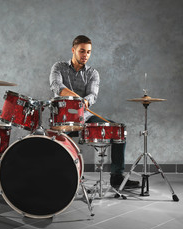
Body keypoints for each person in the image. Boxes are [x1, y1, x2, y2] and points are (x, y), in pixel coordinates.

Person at [49, 35, 139, 189]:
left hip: (84, 118)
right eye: (82, 51)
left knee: (118, 130)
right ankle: (54, 176)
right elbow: (57, 86)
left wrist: (86, 101)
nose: (85, 55)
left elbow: (92, 95)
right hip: (63, 119)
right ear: (73, 50)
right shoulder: (58, 67)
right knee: (51, 145)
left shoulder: (93, 73)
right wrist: (78, 99)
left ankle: (117, 177)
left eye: (89, 52)